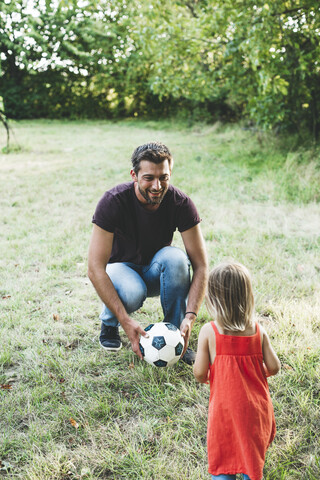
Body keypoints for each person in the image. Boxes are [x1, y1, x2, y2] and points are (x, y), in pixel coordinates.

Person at [88, 141, 208, 365]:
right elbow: (95, 268)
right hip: (121, 270)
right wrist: (126, 321)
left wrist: (190, 317)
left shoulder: (181, 204)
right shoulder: (112, 201)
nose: (157, 185)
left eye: (163, 177)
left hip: (156, 270)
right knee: (134, 291)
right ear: (134, 175)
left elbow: (201, 265)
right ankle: (110, 322)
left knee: (177, 259)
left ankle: (176, 334)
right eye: (148, 178)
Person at [193, 262, 281, 480]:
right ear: (247, 296)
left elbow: (199, 373)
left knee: (224, 458)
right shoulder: (258, 330)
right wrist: (254, 373)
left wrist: (213, 376)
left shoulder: (209, 332)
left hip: (225, 412)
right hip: (255, 411)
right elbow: (274, 367)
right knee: (250, 458)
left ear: (212, 299)